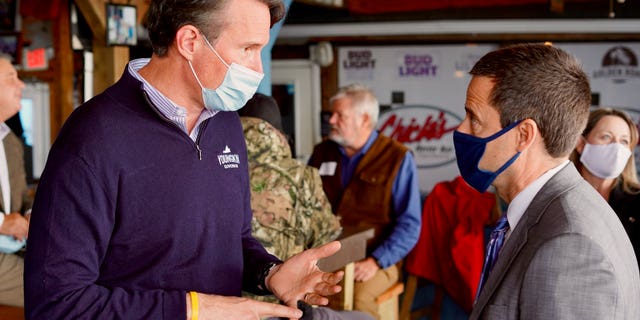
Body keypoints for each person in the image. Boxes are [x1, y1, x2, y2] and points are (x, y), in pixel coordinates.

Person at [24, 1, 345, 319]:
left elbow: (235, 240)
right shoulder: (93, 137)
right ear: (189, 42)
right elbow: (56, 304)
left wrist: (269, 273)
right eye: (248, 48)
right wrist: (192, 308)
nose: (258, 70)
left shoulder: (226, 123)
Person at [451, 43, 640, 320]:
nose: (461, 130)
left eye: (474, 118)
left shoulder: (569, 246)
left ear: (524, 135)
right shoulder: (547, 213)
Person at [239, 93, 374, 320]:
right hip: (284, 305)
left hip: (220, 305)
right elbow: (326, 238)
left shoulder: (209, 168)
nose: (331, 120)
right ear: (279, 133)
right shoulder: (301, 175)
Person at [308, 84, 422, 319]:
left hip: (374, 258)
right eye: (331, 114)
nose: (331, 120)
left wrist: (377, 261)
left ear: (365, 119)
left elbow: (410, 225)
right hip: (326, 255)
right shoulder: (322, 152)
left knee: (359, 301)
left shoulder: (397, 158)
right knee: (307, 298)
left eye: (340, 115)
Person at [570, 107, 640, 269]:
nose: (616, 148)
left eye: (624, 141)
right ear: (580, 144)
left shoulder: (637, 201)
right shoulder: (559, 195)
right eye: (606, 137)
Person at [0, 54, 33, 307]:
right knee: (60, 291)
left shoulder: (11, 142)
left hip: (16, 250)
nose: (21, 85)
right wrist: (2, 223)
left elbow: (22, 200)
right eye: (12, 77)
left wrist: (32, 215)